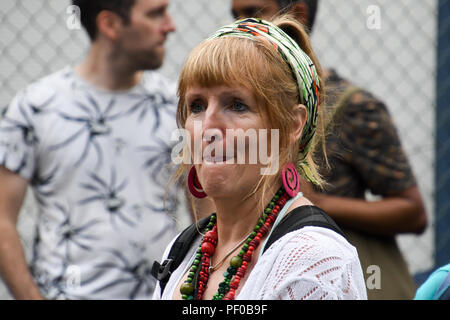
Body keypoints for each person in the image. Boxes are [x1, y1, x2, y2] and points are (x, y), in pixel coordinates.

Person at [152, 16, 367, 300]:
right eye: (197, 106)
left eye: (237, 105)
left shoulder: (312, 260)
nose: (208, 128)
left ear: (293, 125)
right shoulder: (182, 251)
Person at [231, 0, 428, 300]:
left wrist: (312, 204)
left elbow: (412, 211)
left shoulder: (353, 108)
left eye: (254, 13)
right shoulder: (232, 109)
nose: (240, 28)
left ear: (297, 15)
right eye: (236, 16)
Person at [0, 0, 188, 299]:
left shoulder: (179, 109)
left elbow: (209, 216)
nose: (170, 26)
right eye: (156, 14)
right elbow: (3, 219)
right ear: (110, 24)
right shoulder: (36, 108)